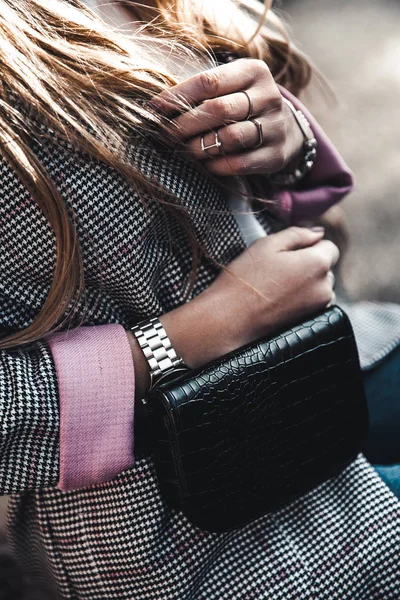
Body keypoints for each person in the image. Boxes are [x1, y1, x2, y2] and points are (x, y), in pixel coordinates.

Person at [0, 1, 398, 598]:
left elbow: (242, 208)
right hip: (181, 529)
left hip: (320, 382)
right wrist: (195, 334)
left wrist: (285, 143)